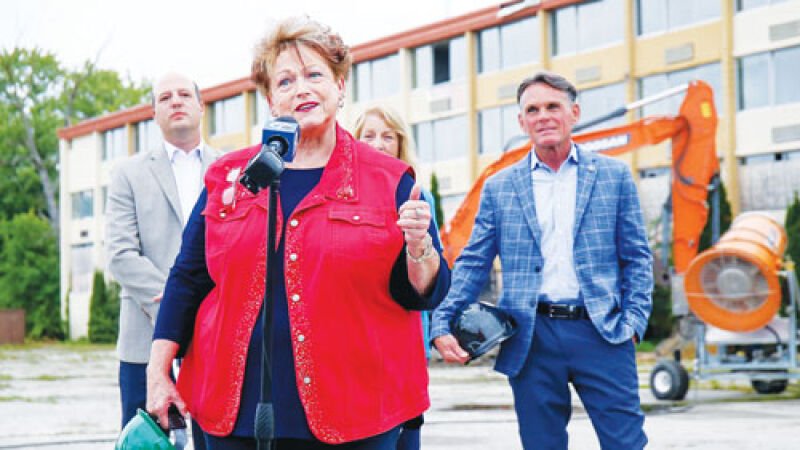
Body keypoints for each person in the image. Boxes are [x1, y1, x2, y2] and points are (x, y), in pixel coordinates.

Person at [146, 16, 450, 450]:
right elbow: (188, 279)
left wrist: (420, 250)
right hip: (232, 413)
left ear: (340, 86)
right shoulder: (227, 176)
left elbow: (420, 294)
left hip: (356, 411)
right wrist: (158, 371)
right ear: (271, 99)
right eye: (285, 81)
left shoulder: (391, 179)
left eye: (314, 75)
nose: (301, 89)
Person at [431, 71, 653, 450]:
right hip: (532, 337)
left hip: (602, 332)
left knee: (626, 444)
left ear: (574, 113)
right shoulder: (500, 187)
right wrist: (441, 321)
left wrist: (633, 321)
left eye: (553, 106)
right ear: (522, 122)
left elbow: (637, 257)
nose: (543, 116)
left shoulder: (614, 176)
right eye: (533, 110)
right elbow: (473, 263)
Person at [106, 72, 219, 431]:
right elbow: (120, 254)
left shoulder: (231, 169)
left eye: (184, 94)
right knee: (147, 442)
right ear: (154, 113)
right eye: (165, 97)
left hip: (216, 333)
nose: (176, 101)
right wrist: (174, 300)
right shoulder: (127, 173)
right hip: (145, 334)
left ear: (201, 106)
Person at [353, 105, 437, 450]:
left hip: (404, 333)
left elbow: (434, 272)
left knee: (405, 429)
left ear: (401, 143)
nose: (378, 144)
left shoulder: (417, 195)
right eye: (369, 136)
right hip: (358, 333)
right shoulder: (342, 195)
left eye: (388, 136)